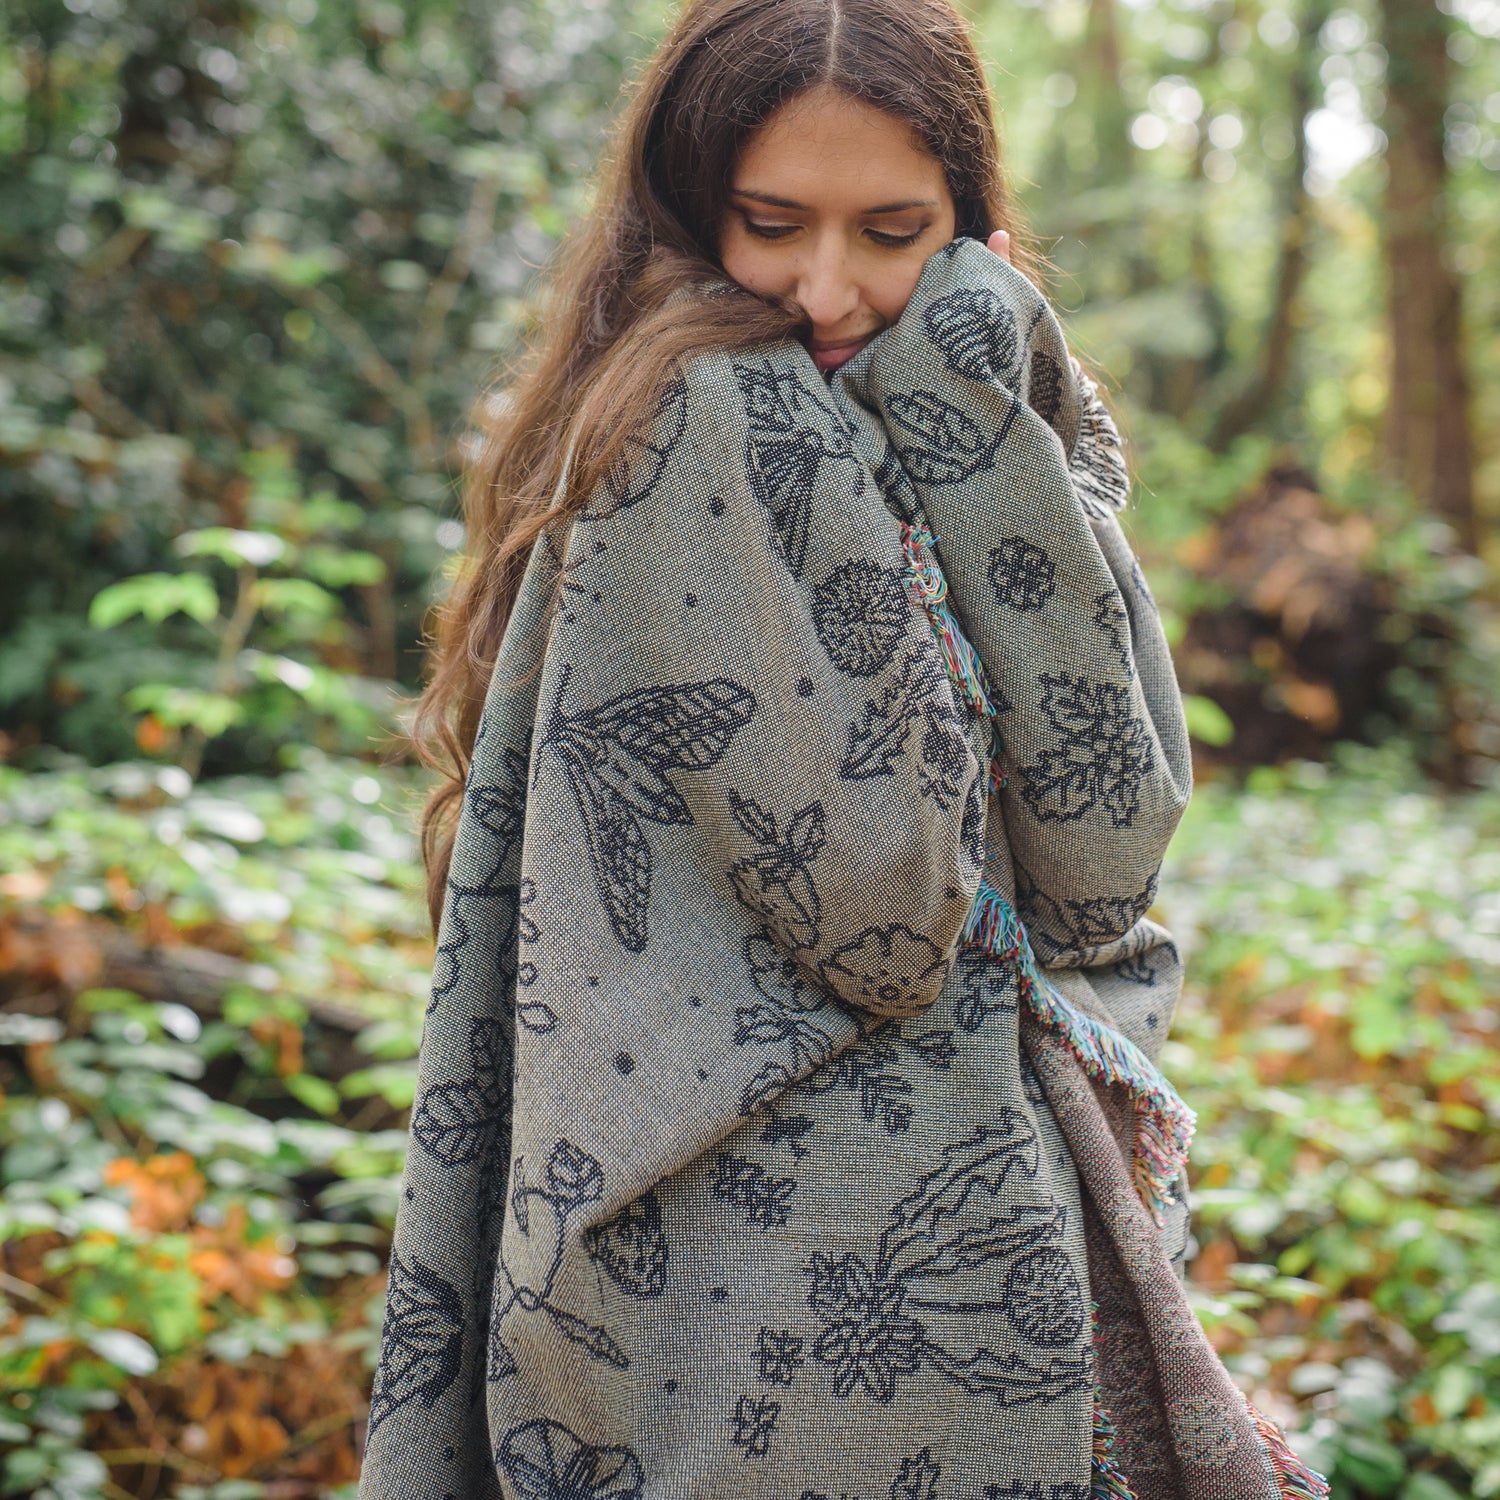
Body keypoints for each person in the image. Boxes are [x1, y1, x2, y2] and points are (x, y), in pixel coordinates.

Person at [359, 2, 1329, 1498]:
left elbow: (1103, 858)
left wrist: (968, 414)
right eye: (772, 224)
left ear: (972, 224)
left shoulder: (962, 399)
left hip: (962, 1267)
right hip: (752, 1303)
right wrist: (953, 415)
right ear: (690, 212)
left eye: (893, 229)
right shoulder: (704, 422)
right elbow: (883, 915)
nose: (829, 287)